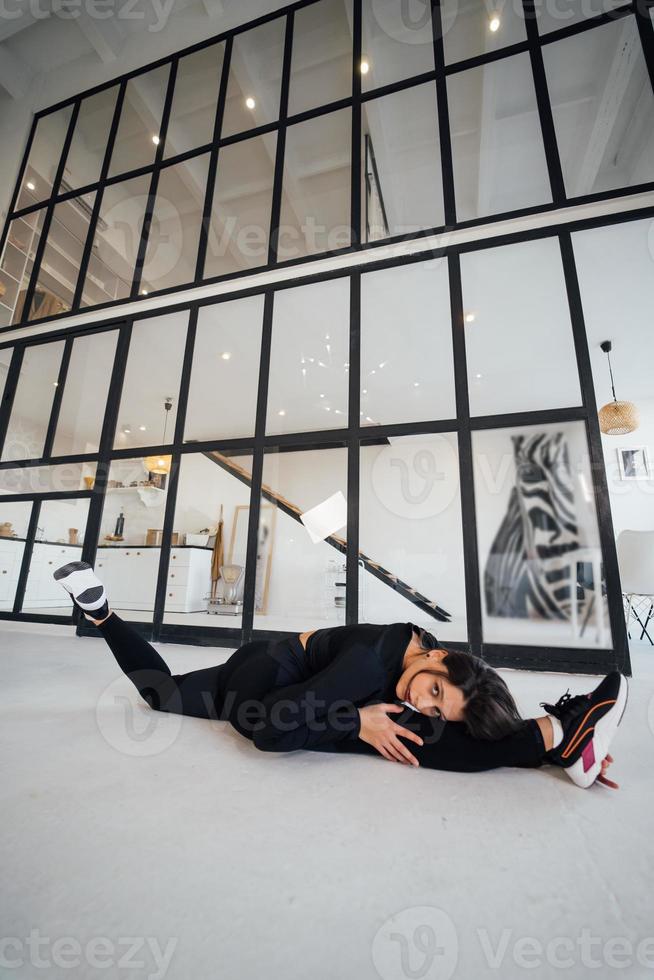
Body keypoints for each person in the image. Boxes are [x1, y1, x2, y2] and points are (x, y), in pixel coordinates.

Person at [54, 561, 628, 790]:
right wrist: (354, 722)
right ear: (435, 658)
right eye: (432, 690)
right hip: (262, 684)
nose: (423, 700)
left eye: (435, 702)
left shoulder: (423, 659)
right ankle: (557, 735)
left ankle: (559, 742)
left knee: (421, 731)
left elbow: (457, 707)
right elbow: (269, 732)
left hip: (286, 668)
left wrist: (374, 718)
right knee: (404, 738)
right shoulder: (371, 663)